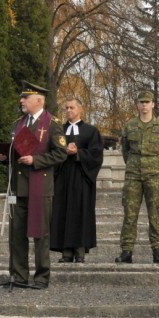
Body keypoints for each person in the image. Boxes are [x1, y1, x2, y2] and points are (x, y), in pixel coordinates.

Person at [0, 82, 67, 288]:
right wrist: (4, 155)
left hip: (40, 187)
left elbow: (60, 153)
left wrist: (36, 161)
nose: (21, 101)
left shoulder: (52, 123)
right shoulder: (19, 123)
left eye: (25, 98)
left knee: (40, 234)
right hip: (18, 186)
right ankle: (18, 275)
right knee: (16, 234)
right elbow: (15, 149)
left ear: (38, 100)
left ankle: (41, 277)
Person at [115, 90, 159, 264]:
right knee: (130, 215)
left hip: (154, 175)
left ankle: (157, 251)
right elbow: (125, 151)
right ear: (137, 105)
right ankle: (126, 251)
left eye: (147, 102)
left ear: (153, 104)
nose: (144, 105)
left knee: (155, 214)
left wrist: (155, 167)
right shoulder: (129, 126)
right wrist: (134, 165)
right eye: (141, 102)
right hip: (133, 175)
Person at [50, 97, 104, 263]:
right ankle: (65, 251)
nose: (68, 110)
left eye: (72, 107)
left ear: (80, 110)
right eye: (66, 108)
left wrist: (79, 153)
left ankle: (80, 250)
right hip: (62, 176)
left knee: (80, 212)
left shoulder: (90, 131)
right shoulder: (59, 130)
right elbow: (51, 150)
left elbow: (96, 154)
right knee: (62, 211)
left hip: (81, 177)